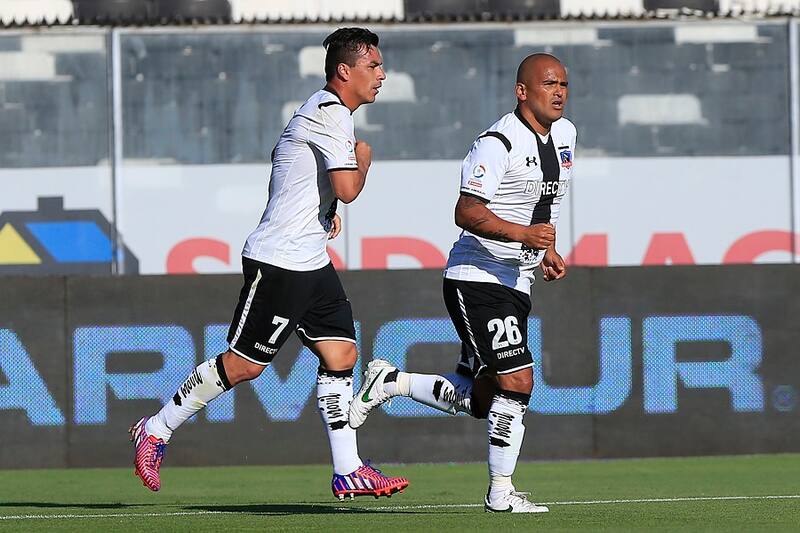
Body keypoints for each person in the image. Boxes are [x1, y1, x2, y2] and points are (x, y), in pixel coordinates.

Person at [130, 27, 408, 501]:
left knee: (341, 355)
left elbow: (291, 168)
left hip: (311, 260)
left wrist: (322, 211)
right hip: (280, 261)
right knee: (244, 366)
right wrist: (363, 160)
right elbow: (348, 188)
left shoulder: (327, 113)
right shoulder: (330, 113)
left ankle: (349, 468)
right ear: (345, 71)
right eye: (374, 65)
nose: (382, 74)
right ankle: (156, 428)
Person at [349, 53, 575, 513]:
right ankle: (501, 492)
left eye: (564, 85)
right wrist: (523, 236)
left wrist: (545, 251)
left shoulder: (566, 135)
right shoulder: (497, 143)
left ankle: (390, 382)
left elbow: (540, 204)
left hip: (517, 279)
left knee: (481, 399)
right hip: (478, 277)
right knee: (518, 380)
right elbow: (466, 211)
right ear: (522, 91)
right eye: (549, 84)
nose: (558, 93)